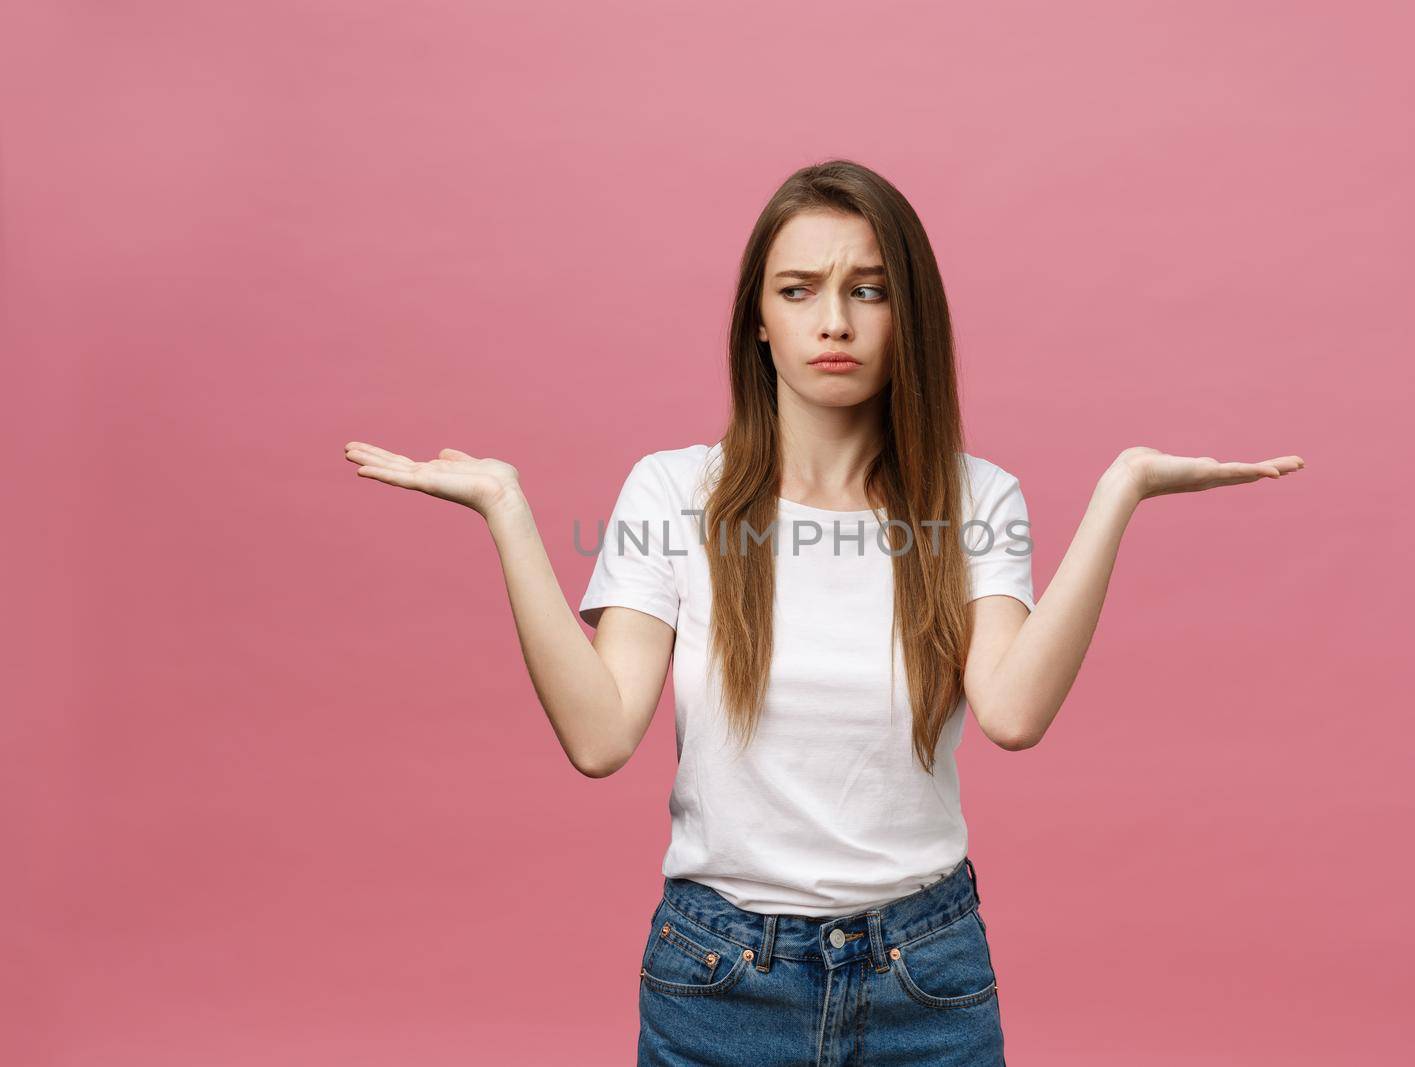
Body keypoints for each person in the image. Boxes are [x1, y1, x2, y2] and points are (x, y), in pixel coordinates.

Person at [342, 158, 1304, 1065]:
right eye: (797, 290)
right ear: (758, 321)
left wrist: (1120, 490)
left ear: (907, 314)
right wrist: (508, 513)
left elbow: (1012, 713)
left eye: (868, 289)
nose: (833, 320)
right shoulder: (675, 491)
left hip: (924, 972)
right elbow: (598, 735)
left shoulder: (976, 499)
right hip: (720, 976)